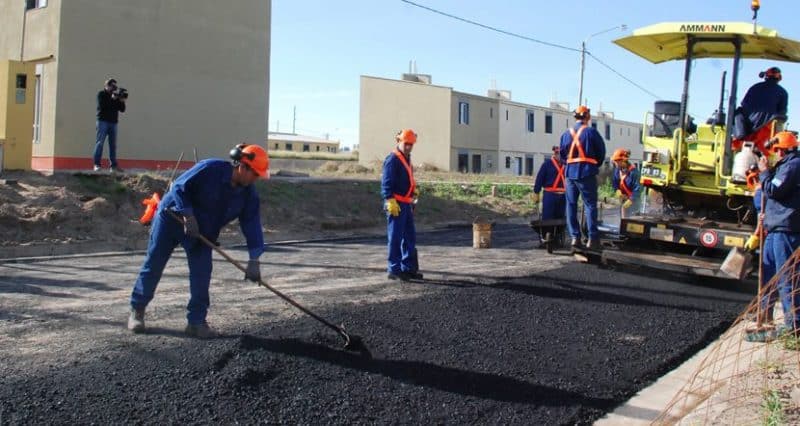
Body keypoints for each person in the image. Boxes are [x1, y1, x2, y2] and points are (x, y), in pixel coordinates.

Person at [128, 143, 269, 338]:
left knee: (202, 274)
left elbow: (252, 224)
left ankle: (196, 322)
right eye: (255, 174)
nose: (257, 179)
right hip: (172, 218)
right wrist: (188, 215)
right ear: (243, 167)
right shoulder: (210, 168)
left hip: (202, 231)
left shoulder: (248, 194)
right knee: (154, 265)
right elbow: (179, 187)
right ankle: (137, 310)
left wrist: (255, 259)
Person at [744, 131, 800, 342]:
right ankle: (764, 315)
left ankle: (794, 327)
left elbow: (775, 191)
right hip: (775, 228)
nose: (774, 154)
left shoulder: (793, 166)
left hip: (786, 230)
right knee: (767, 273)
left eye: (776, 151)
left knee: (786, 277)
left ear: (782, 149)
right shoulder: (787, 165)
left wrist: (765, 172)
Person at [560, 106, 606, 250]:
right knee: (590, 205)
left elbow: (562, 156)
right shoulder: (592, 132)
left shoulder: (566, 133)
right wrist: (593, 165)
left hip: (570, 174)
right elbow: (601, 153)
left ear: (575, 117)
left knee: (571, 205)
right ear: (587, 116)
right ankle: (592, 239)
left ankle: (575, 237)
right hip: (586, 173)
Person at [382, 129, 422, 281]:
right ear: (399, 141)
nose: (409, 147)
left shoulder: (407, 159)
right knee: (396, 238)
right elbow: (386, 182)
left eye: (411, 144)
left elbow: (408, 178)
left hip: (406, 204)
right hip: (396, 204)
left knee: (409, 237)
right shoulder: (392, 159)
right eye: (406, 144)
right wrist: (389, 200)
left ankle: (408, 268)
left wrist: (413, 191)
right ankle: (394, 270)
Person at [733, 67, 788, 141]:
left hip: (748, 127)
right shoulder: (783, 92)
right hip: (768, 127)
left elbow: (744, 104)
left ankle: (740, 135)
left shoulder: (754, 87)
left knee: (738, 111)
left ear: (766, 77)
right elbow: (782, 111)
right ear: (779, 78)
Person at [531, 145, 566, 248]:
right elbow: (539, 179)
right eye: (557, 153)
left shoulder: (567, 165)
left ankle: (557, 238)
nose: (558, 155)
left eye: (560, 154)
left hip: (563, 196)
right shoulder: (546, 165)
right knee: (548, 219)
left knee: (560, 218)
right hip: (550, 195)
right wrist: (536, 192)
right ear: (554, 154)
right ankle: (546, 239)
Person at [93, 78, 127, 172]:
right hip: (102, 121)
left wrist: (121, 100)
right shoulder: (101, 94)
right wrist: (112, 99)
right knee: (100, 143)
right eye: (112, 86)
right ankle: (97, 164)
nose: (114, 88)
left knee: (113, 145)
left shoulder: (115, 96)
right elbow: (102, 106)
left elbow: (122, 109)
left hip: (113, 122)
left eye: (115, 87)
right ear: (106, 86)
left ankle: (113, 166)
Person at [610, 148, 641, 219]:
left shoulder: (634, 173)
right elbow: (615, 182)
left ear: (623, 161)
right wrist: (617, 190)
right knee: (624, 220)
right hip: (623, 200)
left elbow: (638, 189)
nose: (615, 163)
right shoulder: (617, 171)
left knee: (633, 223)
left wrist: (631, 200)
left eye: (617, 161)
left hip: (634, 202)